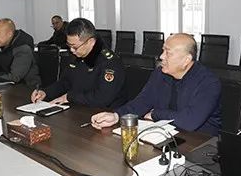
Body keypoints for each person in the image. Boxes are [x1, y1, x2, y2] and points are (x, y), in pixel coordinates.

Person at [91, 33, 222, 135]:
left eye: (168, 53)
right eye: (163, 51)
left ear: (186, 60)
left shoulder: (208, 82)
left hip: (200, 143)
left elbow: (189, 121)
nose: (161, 56)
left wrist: (155, 114)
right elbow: (143, 101)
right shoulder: (160, 73)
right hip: (166, 134)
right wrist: (116, 116)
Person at [30, 18, 126, 107]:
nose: (72, 50)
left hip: (105, 113)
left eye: (75, 47)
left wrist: (69, 97)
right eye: (69, 46)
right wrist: (46, 92)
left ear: (91, 42)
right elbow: (65, 82)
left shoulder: (110, 62)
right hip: (79, 108)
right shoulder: (78, 55)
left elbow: (102, 98)